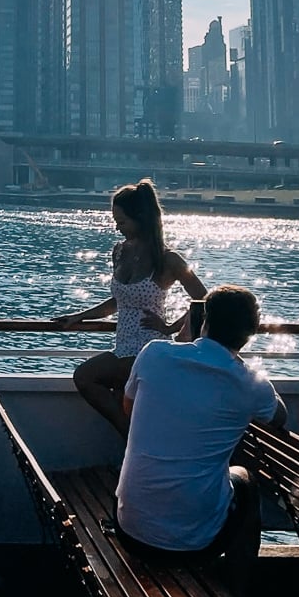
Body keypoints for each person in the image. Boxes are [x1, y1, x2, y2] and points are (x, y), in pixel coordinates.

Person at [116, 284, 286, 596]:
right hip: (196, 545)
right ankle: (237, 592)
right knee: (245, 480)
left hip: (129, 530)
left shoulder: (154, 353)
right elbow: (279, 417)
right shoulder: (250, 383)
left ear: (202, 319)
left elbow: (129, 408)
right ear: (252, 331)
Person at [55, 180, 207, 433]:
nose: (117, 227)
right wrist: (77, 317)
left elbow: (202, 297)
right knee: (122, 401)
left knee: (85, 376)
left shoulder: (168, 259)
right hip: (122, 345)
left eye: (122, 222)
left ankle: (129, 434)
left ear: (141, 218)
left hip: (148, 348)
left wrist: (170, 328)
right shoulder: (119, 252)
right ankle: (133, 438)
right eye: (116, 221)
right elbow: (118, 301)